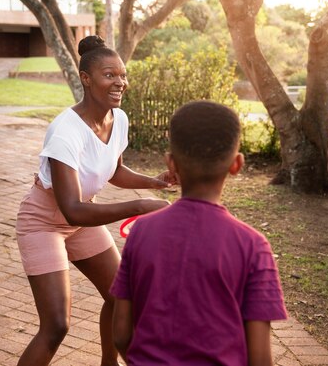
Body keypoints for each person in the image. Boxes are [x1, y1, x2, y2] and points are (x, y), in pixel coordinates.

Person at [15, 35, 175, 366]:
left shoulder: (119, 120)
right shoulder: (66, 132)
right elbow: (71, 209)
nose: (120, 82)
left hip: (82, 219)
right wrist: (139, 206)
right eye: (109, 75)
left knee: (121, 296)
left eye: (122, 75)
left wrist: (154, 182)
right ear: (86, 79)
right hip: (46, 222)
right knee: (56, 325)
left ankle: (108, 363)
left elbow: (113, 169)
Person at [110, 100, 287, 366]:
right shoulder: (253, 246)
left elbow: (121, 333)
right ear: (237, 164)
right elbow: (260, 359)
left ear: (171, 164)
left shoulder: (142, 231)